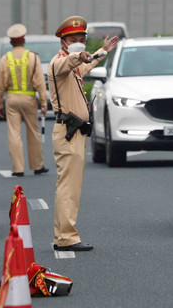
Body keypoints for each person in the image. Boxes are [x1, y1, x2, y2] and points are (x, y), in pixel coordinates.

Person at [47, 15, 118, 252]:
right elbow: (72, 62)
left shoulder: (74, 65)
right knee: (69, 186)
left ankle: (61, 235)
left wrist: (102, 51)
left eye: (81, 39)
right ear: (63, 42)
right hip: (68, 131)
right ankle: (67, 237)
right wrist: (80, 54)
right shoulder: (58, 63)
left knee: (69, 185)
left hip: (74, 132)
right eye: (73, 39)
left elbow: (84, 65)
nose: (78, 42)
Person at [0, 23, 48, 177]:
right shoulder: (32, 57)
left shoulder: (6, 58)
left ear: (11, 42)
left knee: (14, 133)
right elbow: (39, 81)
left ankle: (18, 169)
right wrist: (44, 102)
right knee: (33, 132)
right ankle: (37, 166)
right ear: (24, 40)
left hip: (11, 99)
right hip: (29, 98)